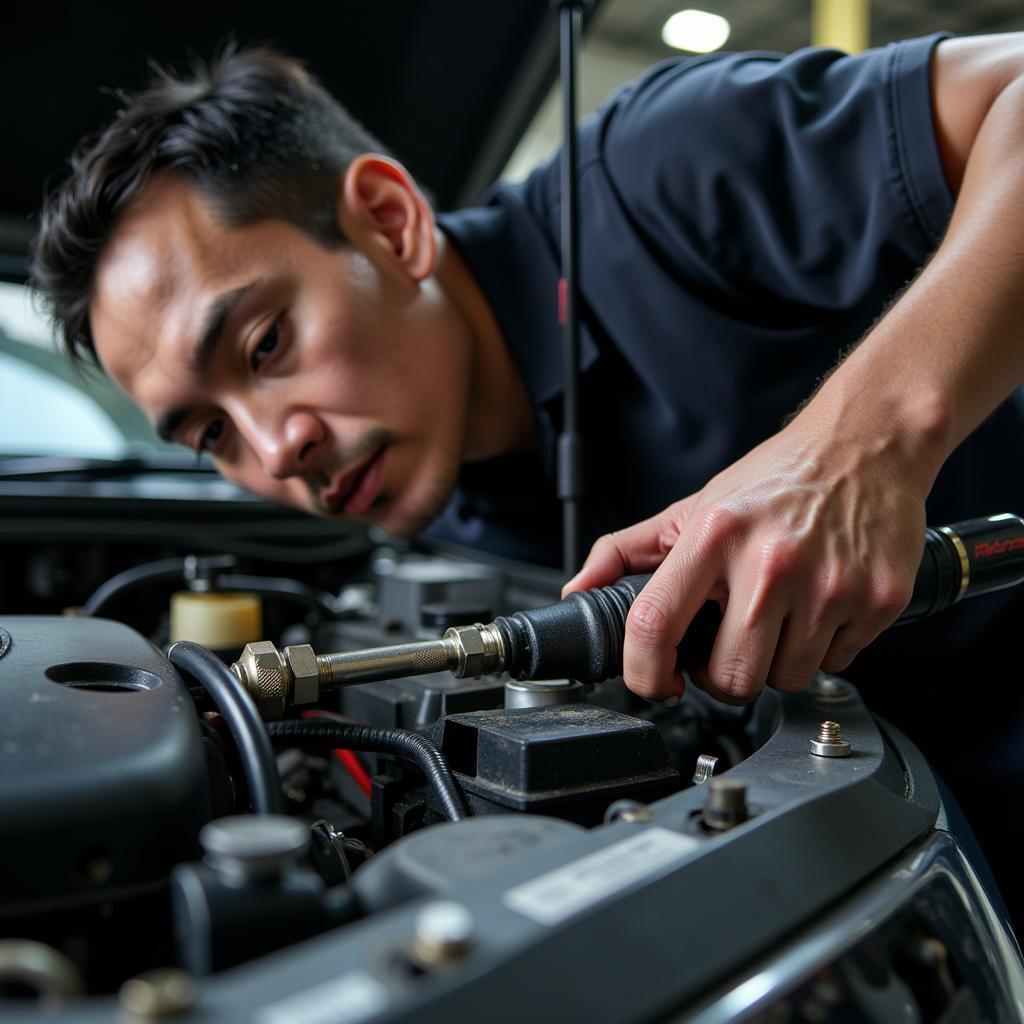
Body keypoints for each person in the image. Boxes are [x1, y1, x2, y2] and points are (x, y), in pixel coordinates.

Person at [30, 34, 1024, 926]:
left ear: (389, 220)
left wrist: (861, 444)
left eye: (266, 342)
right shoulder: (413, 509)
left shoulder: (661, 171)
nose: (273, 451)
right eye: (211, 434)